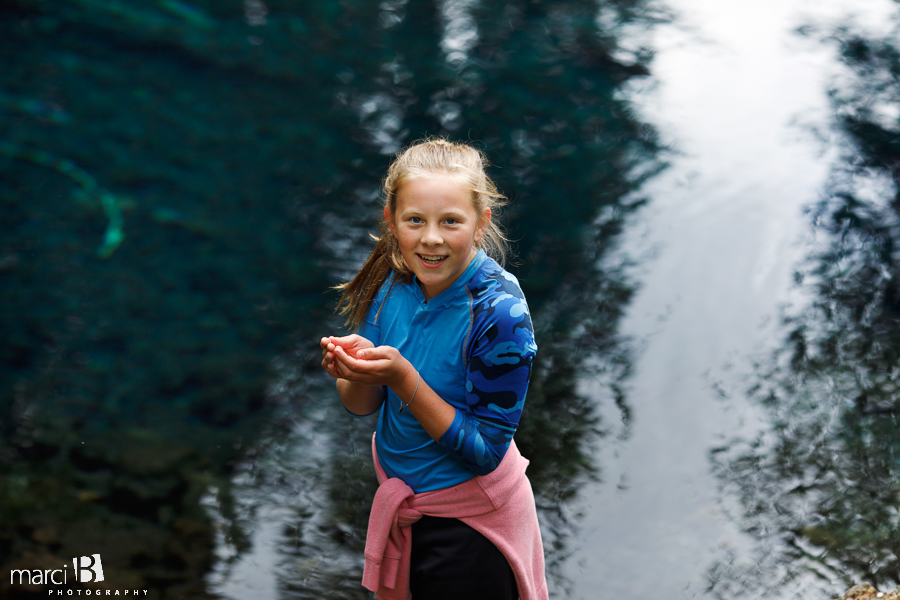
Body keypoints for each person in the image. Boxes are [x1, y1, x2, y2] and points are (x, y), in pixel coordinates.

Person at [320, 138, 548, 600]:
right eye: (415, 221)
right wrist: (353, 370)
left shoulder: (499, 312)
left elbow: (485, 451)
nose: (431, 239)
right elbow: (363, 406)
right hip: (407, 507)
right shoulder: (391, 279)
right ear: (392, 221)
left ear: (481, 223)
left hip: (472, 530)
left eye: (451, 222)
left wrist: (403, 378)